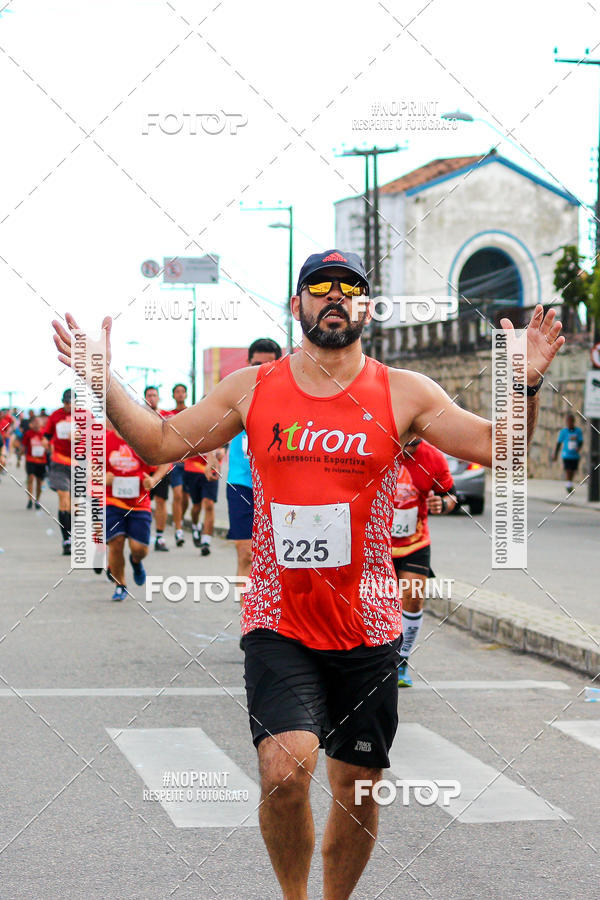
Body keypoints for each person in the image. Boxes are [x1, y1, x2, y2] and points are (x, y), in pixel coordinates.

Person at [52, 248, 564, 900]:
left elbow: (503, 451)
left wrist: (523, 381)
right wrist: (102, 378)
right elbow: (159, 442)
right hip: (279, 618)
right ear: (297, 306)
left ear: (366, 309)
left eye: (348, 288)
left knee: (356, 789)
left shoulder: (403, 392)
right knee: (285, 768)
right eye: (318, 287)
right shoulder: (254, 388)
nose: (333, 296)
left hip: (367, 623)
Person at [391, 438, 456, 687]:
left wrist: (443, 504)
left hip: (414, 543)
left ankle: (401, 662)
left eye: (413, 445)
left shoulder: (433, 458)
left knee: (413, 598)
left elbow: (450, 495)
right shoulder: (377, 447)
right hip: (377, 543)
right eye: (404, 444)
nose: (408, 449)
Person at [227, 339, 282, 583]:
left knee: (278, 560)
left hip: (278, 487)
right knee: (246, 554)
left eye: (269, 364)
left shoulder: (290, 399)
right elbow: (211, 430)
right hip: (241, 484)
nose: (263, 370)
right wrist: (210, 456)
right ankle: (248, 620)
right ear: (249, 364)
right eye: (257, 364)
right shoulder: (236, 396)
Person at [105, 422, 170, 601]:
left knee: (139, 549)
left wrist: (154, 479)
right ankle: (120, 584)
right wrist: (102, 478)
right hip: (112, 502)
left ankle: (136, 562)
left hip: (139, 504)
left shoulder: (141, 441)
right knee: (115, 542)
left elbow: (165, 462)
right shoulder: (104, 441)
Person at [44, 389, 73, 555]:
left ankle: (70, 531)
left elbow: (96, 437)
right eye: (66, 402)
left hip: (79, 464)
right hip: (59, 462)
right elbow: (47, 435)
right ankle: (66, 540)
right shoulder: (55, 415)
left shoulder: (85, 416)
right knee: (64, 498)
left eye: (71, 403)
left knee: (74, 505)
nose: (68, 406)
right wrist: (46, 442)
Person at [143, 385, 172, 550]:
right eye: (149, 395)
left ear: (159, 398)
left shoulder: (166, 416)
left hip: (162, 466)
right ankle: (143, 533)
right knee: (144, 501)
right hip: (144, 467)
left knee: (161, 502)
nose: (151, 398)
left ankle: (160, 537)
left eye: (154, 395)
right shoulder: (139, 416)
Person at [183, 447, 222, 555]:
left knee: (209, 505)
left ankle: (206, 541)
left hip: (212, 469)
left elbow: (223, 446)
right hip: (193, 469)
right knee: (196, 507)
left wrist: (220, 453)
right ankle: (196, 526)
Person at [168, 383, 188, 547]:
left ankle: (181, 519)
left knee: (186, 499)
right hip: (176, 463)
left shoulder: (192, 413)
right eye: (177, 392)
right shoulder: (169, 415)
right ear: (173, 395)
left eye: (182, 392)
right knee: (178, 495)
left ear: (186, 395)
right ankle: (178, 529)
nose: (180, 394)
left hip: (192, 464)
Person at [22, 414, 47, 509]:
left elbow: (49, 446)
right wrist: (20, 457)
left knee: (39, 482)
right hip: (30, 459)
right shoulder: (28, 433)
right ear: (31, 424)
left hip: (41, 461)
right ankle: (29, 499)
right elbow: (24, 446)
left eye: (38, 422)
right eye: (34, 422)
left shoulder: (44, 433)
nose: (36, 424)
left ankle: (38, 500)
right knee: (31, 478)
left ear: (41, 424)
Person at [554, 413, 584, 493]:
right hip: (566, 455)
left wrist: (579, 448)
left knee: (573, 470)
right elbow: (559, 443)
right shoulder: (563, 432)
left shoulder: (578, 431)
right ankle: (568, 484)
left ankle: (570, 483)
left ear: (574, 422)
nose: (570, 423)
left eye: (571, 421)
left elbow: (581, 442)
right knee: (568, 469)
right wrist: (556, 454)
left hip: (575, 455)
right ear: (566, 422)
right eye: (568, 421)